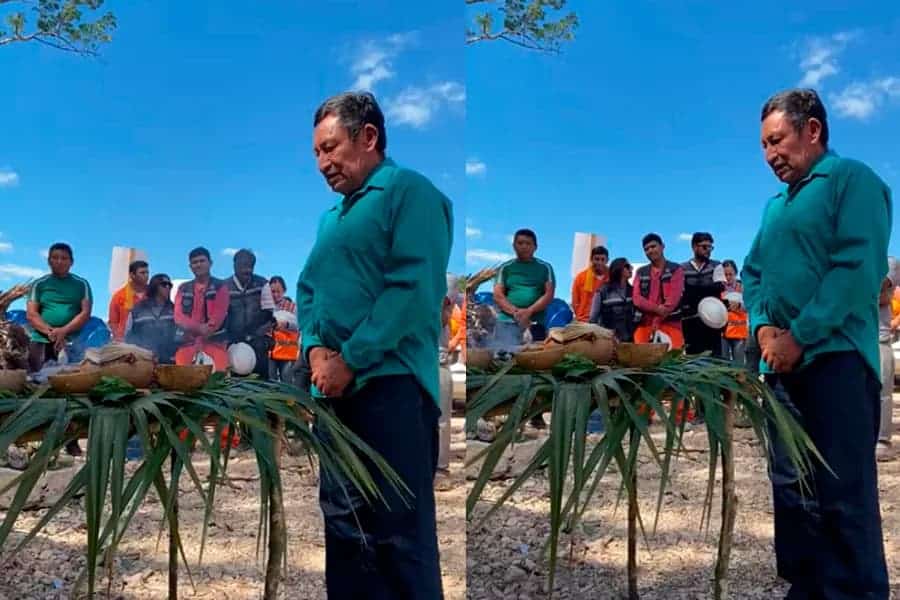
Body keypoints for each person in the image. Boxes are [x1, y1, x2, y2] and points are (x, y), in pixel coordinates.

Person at [297, 91, 450, 599]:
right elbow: (308, 291)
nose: (322, 163)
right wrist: (316, 349)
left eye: (331, 147)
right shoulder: (329, 219)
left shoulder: (410, 192)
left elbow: (411, 290)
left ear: (368, 137)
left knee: (399, 533)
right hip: (334, 394)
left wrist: (351, 359)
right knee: (344, 529)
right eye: (317, 152)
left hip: (392, 387)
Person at [742, 88, 890, 598]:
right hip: (781, 366)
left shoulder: (852, 181)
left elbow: (855, 270)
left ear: (813, 130)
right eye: (763, 146)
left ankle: (856, 591)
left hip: (837, 361)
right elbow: (753, 270)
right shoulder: (774, 207)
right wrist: (763, 328)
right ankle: (807, 587)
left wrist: (799, 337)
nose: (770, 156)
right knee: (792, 489)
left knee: (842, 491)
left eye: (776, 141)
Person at [27, 242, 93, 456]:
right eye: (55, 257)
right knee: (39, 389)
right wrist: (51, 332)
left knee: (72, 392)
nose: (59, 261)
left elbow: (85, 313)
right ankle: (40, 440)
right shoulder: (40, 284)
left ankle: (71, 440)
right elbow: (32, 314)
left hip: (72, 343)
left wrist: (64, 331)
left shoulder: (81, 284)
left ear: (71, 262)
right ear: (48, 261)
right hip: (41, 341)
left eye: (64, 258)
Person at [493, 229, 556, 348]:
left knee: (535, 360)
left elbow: (549, 295)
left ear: (535, 247)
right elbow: (498, 295)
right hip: (507, 321)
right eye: (520, 243)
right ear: (514, 246)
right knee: (501, 359)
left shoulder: (545, 267)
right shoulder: (505, 268)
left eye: (528, 244)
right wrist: (516, 312)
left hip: (535, 323)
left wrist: (529, 311)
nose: (524, 247)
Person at [173, 247, 230, 371]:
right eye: (194, 262)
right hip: (187, 346)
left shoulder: (221, 287)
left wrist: (205, 331)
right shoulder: (183, 288)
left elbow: (218, 317)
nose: (198, 265)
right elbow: (178, 317)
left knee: (217, 381)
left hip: (215, 345)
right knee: (183, 381)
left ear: (210, 263)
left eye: (202, 261)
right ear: (190, 266)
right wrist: (199, 328)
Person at [226, 249, 275, 378]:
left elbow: (269, 315)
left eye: (250, 266)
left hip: (258, 345)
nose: (247, 270)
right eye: (243, 265)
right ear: (234, 265)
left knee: (260, 385)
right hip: (234, 346)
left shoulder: (263, 284)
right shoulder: (224, 288)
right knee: (236, 386)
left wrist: (259, 338)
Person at [632, 233, 684, 349]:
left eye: (653, 246)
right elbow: (636, 299)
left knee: (672, 363)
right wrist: (657, 309)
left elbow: (673, 300)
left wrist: (657, 319)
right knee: (642, 363)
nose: (650, 250)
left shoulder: (676, 269)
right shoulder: (641, 271)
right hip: (644, 326)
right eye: (646, 249)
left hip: (671, 325)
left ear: (662, 246)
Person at [680, 232, 726, 357]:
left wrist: (692, 290)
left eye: (711, 247)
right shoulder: (682, 268)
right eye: (704, 247)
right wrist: (707, 289)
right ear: (694, 247)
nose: (709, 250)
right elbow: (681, 292)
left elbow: (719, 287)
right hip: (690, 321)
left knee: (715, 358)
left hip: (712, 320)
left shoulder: (716, 265)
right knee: (693, 359)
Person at [125, 274, 177, 364]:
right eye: (164, 284)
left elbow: (182, 336)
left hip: (170, 362)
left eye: (170, 285)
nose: (168, 287)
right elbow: (128, 336)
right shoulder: (137, 310)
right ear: (154, 286)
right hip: (143, 362)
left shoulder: (175, 310)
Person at [589, 257, 635, 342]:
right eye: (627, 266)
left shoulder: (633, 291)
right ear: (618, 269)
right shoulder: (602, 291)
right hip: (608, 341)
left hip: (629, 340)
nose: (631, 268)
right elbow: (593, 318)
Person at [268, 276, 299, 383]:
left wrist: (286, 325)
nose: (275, 294)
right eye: (272, 291)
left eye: (278, 291)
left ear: (284, 291)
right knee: (270, 385)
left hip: (287, 352)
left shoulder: (292, 307)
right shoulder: (264, 307)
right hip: (269, 353)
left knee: (288, 386)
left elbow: (300, 325)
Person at [878, 274, 895, 461]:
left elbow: (879, 290)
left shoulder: (890, 262)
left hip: (880, 338)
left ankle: (883, 441)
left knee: (883, 392)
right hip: (854, 338)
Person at [108, 260, 149, 341]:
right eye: (142, 273)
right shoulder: (119, 297)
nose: (146, 275)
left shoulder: (154, 293)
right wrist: (118, 338)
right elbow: (113, 322)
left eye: (147, 272)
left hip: (151, 343)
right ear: (132, 275)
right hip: (126, 344)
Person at [571, 245, 609, 322]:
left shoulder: (613, 277)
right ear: (591, 259)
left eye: (602, 259)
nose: (599, 262)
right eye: (597, 259)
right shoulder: (581, 277)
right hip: (584, 320)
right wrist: (581, 316)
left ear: (607, 260)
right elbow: (575, 302)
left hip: (606, 322)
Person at [721, 259, 748, 365]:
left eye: (730, 274)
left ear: (735, 274)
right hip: (723, 332)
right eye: (725, 275)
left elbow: (751, 305)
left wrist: (740, 305)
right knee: (724, 365)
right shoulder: (718, 288)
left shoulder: (743, 288)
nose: (728, 277)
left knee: (739, 366)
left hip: (739, 332)